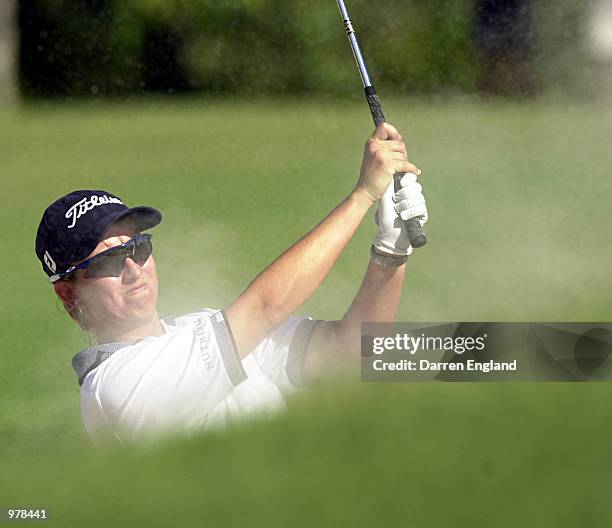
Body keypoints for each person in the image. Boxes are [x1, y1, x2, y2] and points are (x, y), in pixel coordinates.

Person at [35, 122, 428, 448]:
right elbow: (263, 308)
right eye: (107, 261)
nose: (133, 269)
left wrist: (391, 251)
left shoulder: (198, 328)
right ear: (69, 292)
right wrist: (362, 195)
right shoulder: (115, 385)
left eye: (137, 248)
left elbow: (349, 353)